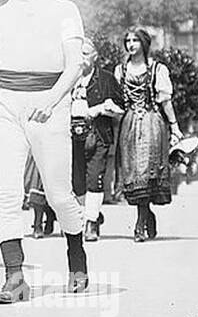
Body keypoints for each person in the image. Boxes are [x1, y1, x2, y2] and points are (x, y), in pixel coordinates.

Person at [0, 0, 87, 302]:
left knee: (58, 193)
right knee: (6, 194)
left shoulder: (64, 11)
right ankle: (14, 276)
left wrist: (52, 100)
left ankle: (76, 252)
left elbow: (74, 66)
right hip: (6, 106)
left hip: (48, 107)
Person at [114, 28, 183, 242]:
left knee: (147, 171)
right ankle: (147, 214)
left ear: (144, 44)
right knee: (133, 173)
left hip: (152, 125)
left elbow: (165, 101)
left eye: (135, 40)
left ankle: (140, 224)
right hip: (129, 125)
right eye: (128, 40)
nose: (131, 44)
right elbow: (117, 100)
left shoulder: (157, 69)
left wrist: (174, 126)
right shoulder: (120, 70)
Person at [73, 39, 124, 242]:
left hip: (98, 135)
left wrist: (104, 107)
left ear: (95, 56)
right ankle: (91, 213)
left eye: (85, 53)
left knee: (94, 179)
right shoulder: (68, 78)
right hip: (71, 135)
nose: (81, 58)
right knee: (76, 183)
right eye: (78, 53)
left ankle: (91, 223)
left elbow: (121, 107)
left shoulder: (106, 79)